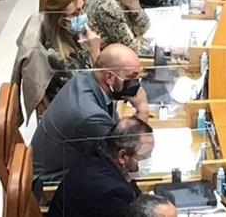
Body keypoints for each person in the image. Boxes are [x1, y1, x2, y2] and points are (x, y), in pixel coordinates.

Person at [31, 43, 146, 183]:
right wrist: (142, 108)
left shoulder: (87, 78)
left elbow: (115, 128)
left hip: (63, 166)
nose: (136, 84)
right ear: (109, 77)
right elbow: (128, 160)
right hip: (53, 184)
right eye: (132, 77)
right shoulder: (90, 116)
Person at [47, 117, 154, 217]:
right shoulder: (111, 193)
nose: (148, 159)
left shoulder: (98, 155)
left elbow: (136, 196)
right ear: (122, 156)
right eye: (145, 155)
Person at [40, 0, 102, 101]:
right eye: (75, 13)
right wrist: (95, 53)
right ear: (60, 20)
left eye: (83, 8)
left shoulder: (75, 33)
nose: (83, 15)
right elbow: (90, 91)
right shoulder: (56, 55)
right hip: (76, 108)